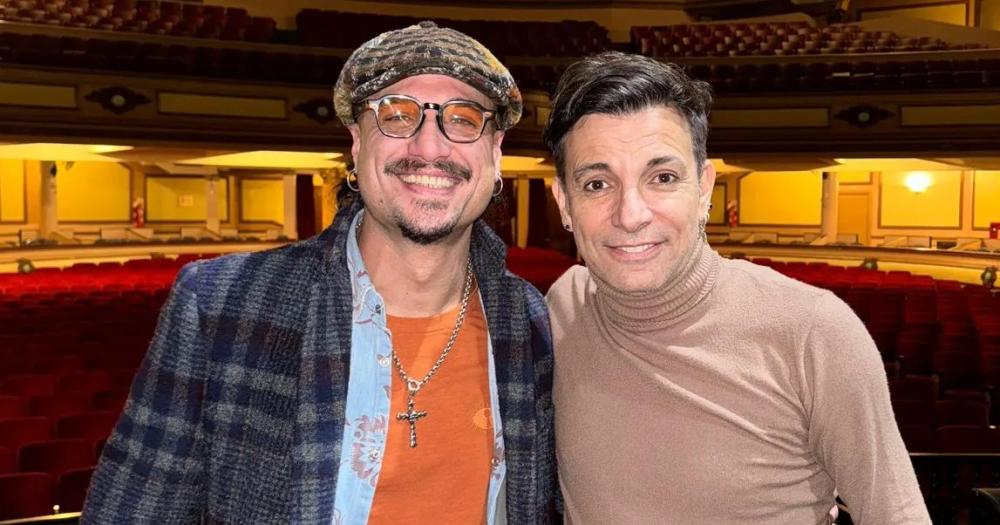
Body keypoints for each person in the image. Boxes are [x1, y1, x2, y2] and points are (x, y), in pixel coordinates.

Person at [83, 22, 557, 524]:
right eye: (397, 116)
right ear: (356, 142)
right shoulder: (220, 306)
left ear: (496, 151)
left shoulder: (527, 318)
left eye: (463, 120)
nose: (430, 147)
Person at [542, 51, 930, 524]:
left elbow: (897, 515)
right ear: (564, 202)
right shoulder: (562, 306)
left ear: (704, 189)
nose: (631, 215)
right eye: (598, 184)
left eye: (662, 178)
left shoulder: (812, 330)